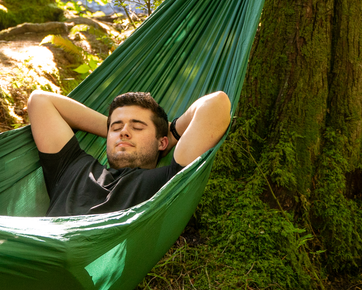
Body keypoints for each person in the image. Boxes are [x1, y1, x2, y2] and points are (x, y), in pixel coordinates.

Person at [26, 88, 232, 216]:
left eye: (138, 127)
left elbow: (216, 103)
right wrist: (113, 130)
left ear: (162, 143)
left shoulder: (168, 181)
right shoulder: (73, 167)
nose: (123, 132)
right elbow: (40, 101)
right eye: (116, 128)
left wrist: (171, 133)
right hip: (33, 248)